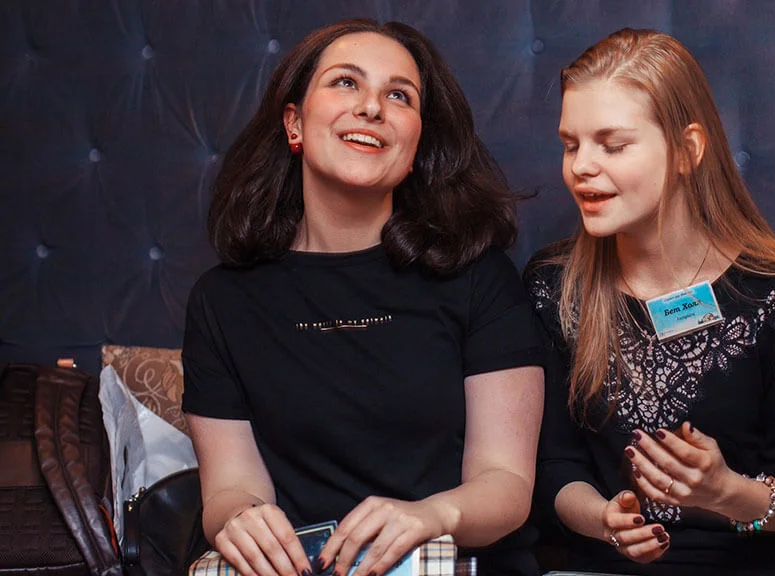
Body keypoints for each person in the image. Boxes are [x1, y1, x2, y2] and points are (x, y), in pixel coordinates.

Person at [181, 19, 544, 576]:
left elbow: (507, 485)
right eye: (345, 82)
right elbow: (231, 486)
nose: (371, 107)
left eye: (399, 96)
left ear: (416, 143)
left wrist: (430, 516)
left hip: (453, 564)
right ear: (294, 123)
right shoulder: (222, 301)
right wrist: (240, 518)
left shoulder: (480, 278)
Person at [525, 28, 775, 575]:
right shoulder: (555, 287)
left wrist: (726, 492)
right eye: (571, 144)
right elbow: (555, 465)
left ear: (687, 150)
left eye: (612, 145)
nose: (581, 167)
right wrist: (605, 521)